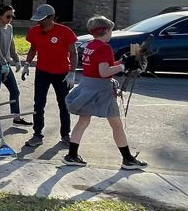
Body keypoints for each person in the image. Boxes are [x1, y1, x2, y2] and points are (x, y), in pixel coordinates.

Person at [63, 16, 147, 170]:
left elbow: (100, 66)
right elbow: (104, 72)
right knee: (116, 124)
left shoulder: (90, 45)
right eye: (111, 31)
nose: (111, 34)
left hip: (87, 86)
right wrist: (123, 67)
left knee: (83, 121)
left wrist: (121, 62)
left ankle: (72, 155)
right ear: (105, 31)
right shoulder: (104, 48)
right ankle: (127, 159)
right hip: (101, 90)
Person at [23, 4, 78, 148]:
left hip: (62, 74)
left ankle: (65, 135)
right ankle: (37, 135)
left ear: (51, 18)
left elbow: (73, 53)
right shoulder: (34, 31)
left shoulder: (65, 31)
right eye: (38, 20)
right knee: (39, 104)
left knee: (64, 104)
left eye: (42, 20)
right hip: (42, 72)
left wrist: (72, 72)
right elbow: (33, 48)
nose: (39, 22)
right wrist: (27, 64)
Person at [0, 4, 31, 130]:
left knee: (15, 90)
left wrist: (16, 60)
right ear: (0, 16)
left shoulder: (9, 28)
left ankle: (16, 118)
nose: (10, 19)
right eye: (8, 16)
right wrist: (3, 64)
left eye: (12, 16)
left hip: (5, 64)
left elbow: (11, 45)